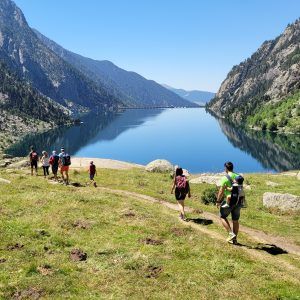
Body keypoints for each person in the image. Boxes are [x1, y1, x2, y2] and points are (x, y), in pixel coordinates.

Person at [216, 162, 242, 244]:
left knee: (222, 216)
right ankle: (235, 240)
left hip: (229, 200)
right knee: (235, 220)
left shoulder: (225, 178)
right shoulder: (238, 176)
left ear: (226, 168)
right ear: (232, 168)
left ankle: (231, 234)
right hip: (238, 201)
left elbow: (221, 191)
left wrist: (218, 201)